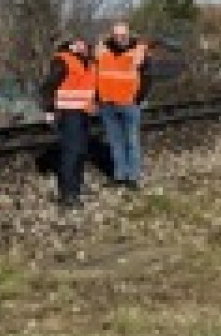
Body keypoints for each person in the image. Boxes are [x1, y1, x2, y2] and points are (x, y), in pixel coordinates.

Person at [40, 35, 96, 207]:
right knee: (71, 153)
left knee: (80, 152)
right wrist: (49, 110)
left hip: (84, 112)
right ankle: (68, 194)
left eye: (83, 43)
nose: (81, 46)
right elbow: (49, 86)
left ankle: (76, 187)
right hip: (68, 113)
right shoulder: (63, 60)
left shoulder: (89, 62)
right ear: (71, 45)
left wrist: (96, 103)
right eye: (77, 43)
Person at [95, 21, 151, 189]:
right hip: (107, 103)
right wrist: (97, 98)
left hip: (129, 103)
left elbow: (147, 77)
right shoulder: (101, 50)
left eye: (123, 35)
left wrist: (138, 98)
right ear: (112, 35)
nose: (120, 38)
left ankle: (132, 177)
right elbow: (95, 74)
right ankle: (119, 176)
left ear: (128, 34)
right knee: (115, 141)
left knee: (131, 141)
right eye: (116, 35)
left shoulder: (139, 50)